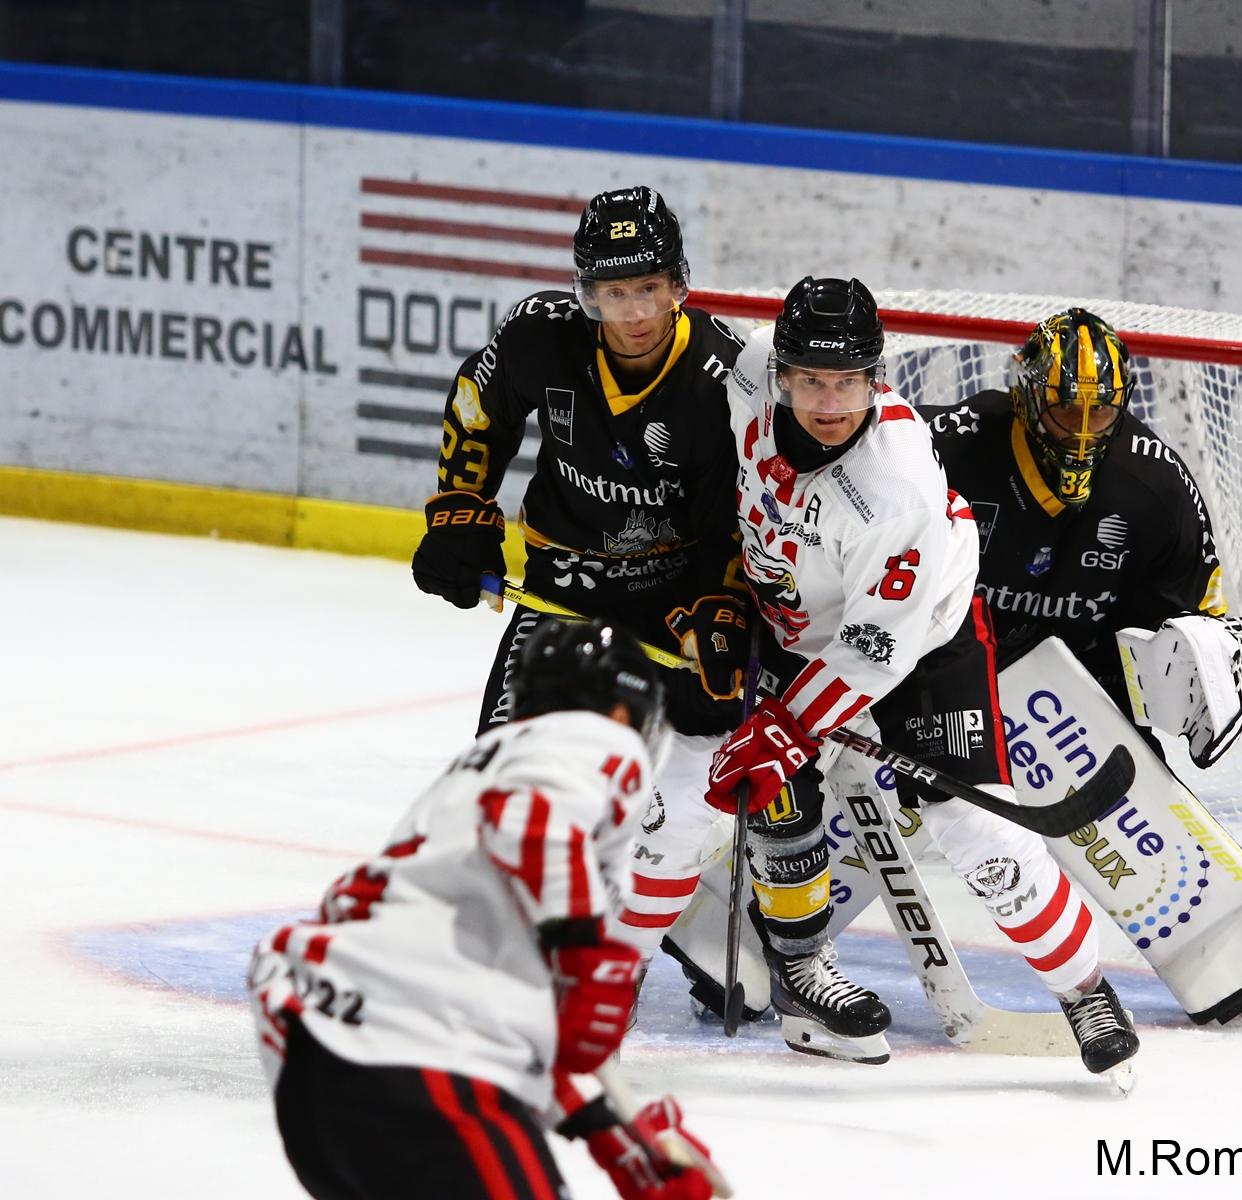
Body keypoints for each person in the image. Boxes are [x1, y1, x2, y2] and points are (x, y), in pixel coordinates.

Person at [674, 276, 1139, 1075]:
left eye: (849, 381)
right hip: (786, 620)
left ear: (876, 377)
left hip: (923, 642)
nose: (829, 401)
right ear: (780, 371)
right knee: (778, 798)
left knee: (976, 829)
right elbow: (676, 346)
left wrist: (787, 728)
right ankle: (801, 971)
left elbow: (870, 652)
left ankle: (1085, 989)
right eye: (812, 381)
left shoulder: (900, 490)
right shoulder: (750, 369)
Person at [246, 620, 730, 1200]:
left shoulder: (480, 782)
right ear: (625, 713)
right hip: (420, 1054)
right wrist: (586, 956)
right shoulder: (590, 741)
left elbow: (519, 1020)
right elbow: (534, 820)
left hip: (320, 1062)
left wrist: (616, 1142)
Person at [408, 184, 752, 804]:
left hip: (669, 600)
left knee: (684, 787)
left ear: (678, 284)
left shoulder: (724, 379)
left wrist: (720, 606)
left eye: (648, 288)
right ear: (587, 295)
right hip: (559, 588)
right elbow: (479, 407)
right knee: (503, 782)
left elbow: (729, 521)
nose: (635, 314)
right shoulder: (540, 336)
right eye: (614, 293)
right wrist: (461, 514)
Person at [923, 307, 1242, 772]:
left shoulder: (1157, 488)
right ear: (1027, 399)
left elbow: (1192, 623)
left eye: (1102, 411)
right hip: (951, 677)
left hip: (1089, 698)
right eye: (1067, 410)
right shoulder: (947, 447)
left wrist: (1207, 659)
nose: (1084, 432)